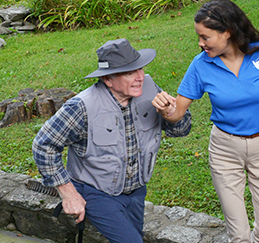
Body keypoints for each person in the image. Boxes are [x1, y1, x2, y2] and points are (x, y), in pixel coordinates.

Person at [152, 0, 259, 242]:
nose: (200, 43)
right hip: (224, 149)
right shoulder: (201, 65)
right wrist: (165, 109)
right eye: (199, 36)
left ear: (227, 32)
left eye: (205, 37)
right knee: (239, 236)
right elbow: (176, 113)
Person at [32, 39, 191, 243]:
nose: (140, 77)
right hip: (95, 192)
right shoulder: (82, 107)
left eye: (140, 68)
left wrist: (171, 115)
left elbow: (183, 130)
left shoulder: (151, 90)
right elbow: (43, 145)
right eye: (129, 72)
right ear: (108, 79)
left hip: (136, 191)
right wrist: (68, 194)